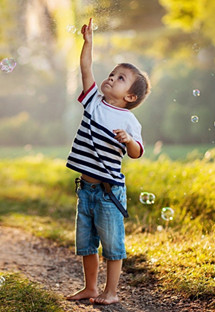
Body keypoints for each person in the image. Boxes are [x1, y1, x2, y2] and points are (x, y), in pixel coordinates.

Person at [65, 18, 150, 305]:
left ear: (130, 96)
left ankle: (110, 292)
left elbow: (138, 151)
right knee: (87, 244)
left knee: (113, 247)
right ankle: (90, 288)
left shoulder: (128, 119)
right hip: (85, 191)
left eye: (120, 78)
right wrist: (88, 43)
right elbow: (86, 69)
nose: (111, 77)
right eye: (113, 73)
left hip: (109, 193)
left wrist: (128, 140)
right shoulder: (93, 101)